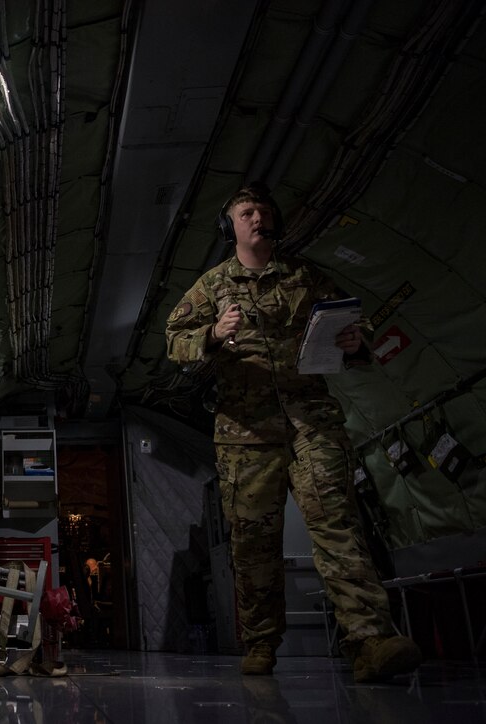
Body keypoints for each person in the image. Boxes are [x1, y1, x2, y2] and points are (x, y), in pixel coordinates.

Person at [164, 183, 421, 682]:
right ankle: (261, 643)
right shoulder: (213, 286)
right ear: (230, 227)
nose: (257, 217)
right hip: (244, 432)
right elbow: (175, 340)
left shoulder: (307, 278)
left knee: (337, 525)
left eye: (263, 210)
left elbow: (353, 327)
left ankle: (370, 640)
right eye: (245, 212)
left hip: (311, 421)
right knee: (253, 542)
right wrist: (213, 334)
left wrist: (353, 342)